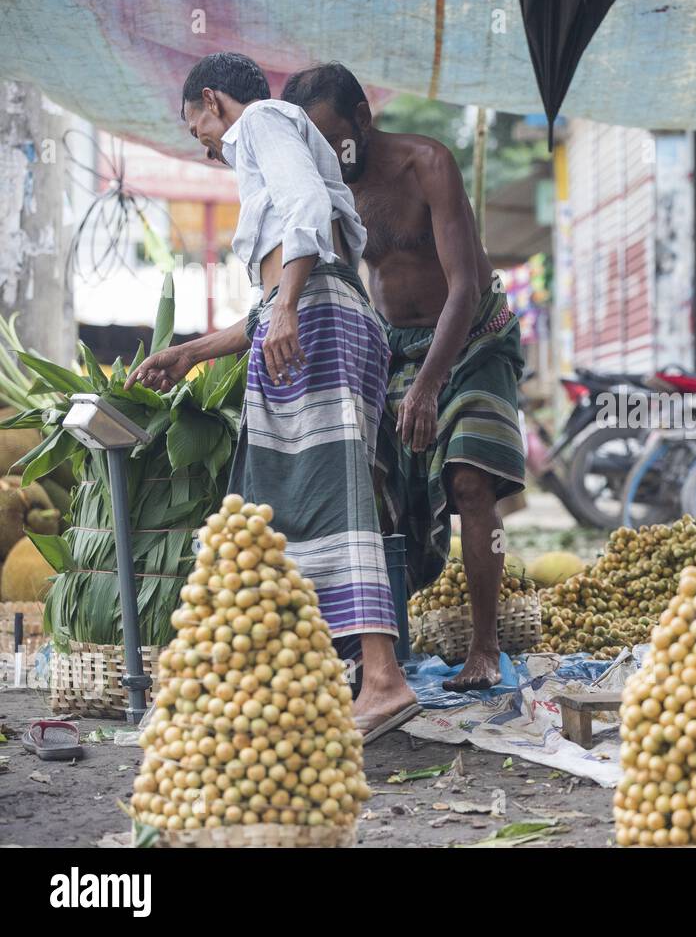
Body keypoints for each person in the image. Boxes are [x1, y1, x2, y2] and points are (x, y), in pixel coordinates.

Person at [127, 52, 419, 739]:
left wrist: (287, 307)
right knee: (286, 506)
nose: (200, 142)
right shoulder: (277, 142)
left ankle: (382, 678)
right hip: (321, 314)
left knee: (328, 491)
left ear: (211, 101)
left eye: (193, 124)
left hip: (315, 316)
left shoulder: (260, 121)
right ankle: (305, 682)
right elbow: (268, 301)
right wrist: (189, 352)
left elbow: (307, 213)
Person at [281, 63, 525, 692]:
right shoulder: (326, 188)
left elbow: (465, 284)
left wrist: (426, 387)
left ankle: (484, 646)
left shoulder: (429, 164)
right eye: (311, 142)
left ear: (363, 117)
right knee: (373, 488)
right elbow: (325, 281)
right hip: (391, 345)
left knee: (471, 483)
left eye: (334, 137)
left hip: (472, 336)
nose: (327, 153)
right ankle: (384, 649)